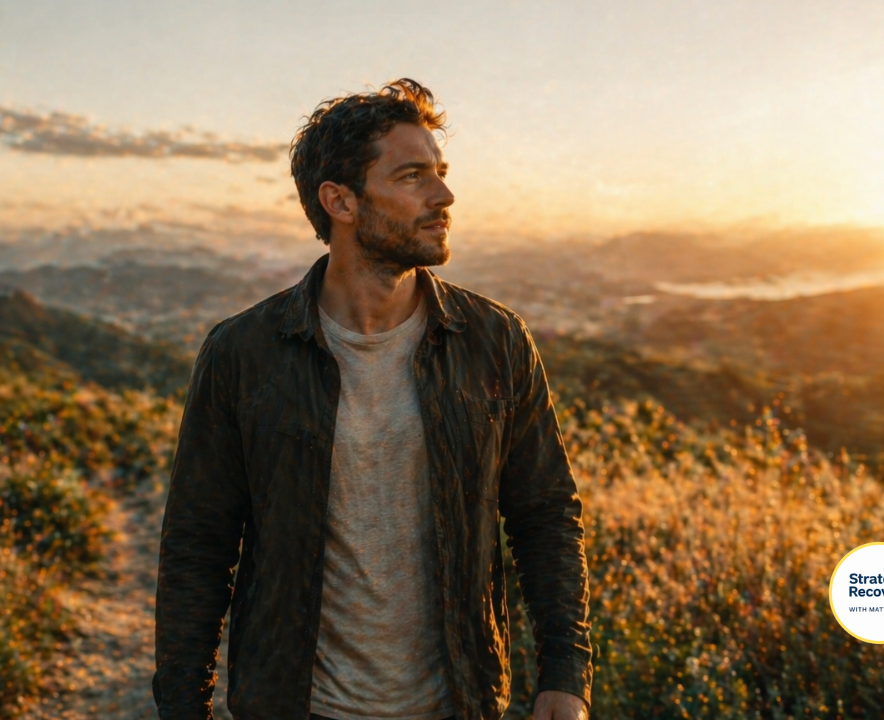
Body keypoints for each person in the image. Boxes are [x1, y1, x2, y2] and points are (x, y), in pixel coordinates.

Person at [154, 78, 591, 720]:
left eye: (440, 173)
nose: (444, 195)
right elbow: (199, 544)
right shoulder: (244, 354)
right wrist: (183, 707)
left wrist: (566, 674)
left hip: (459, 703)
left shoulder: (494, 342)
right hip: (295, 705)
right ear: (341, 201)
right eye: (413, 175)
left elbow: (546, 515)